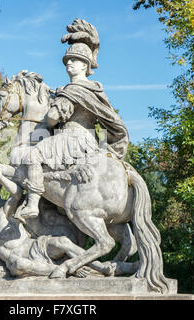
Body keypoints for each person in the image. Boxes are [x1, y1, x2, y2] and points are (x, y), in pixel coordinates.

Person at [19, 42, 129, 220]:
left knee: (32, 156)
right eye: (67, 61)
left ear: (85, 65)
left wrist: (54, 106)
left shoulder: (73, 90)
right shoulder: (96, 90)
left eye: (74, 60)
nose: (69, 63)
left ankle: (32, 204)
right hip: (90, 141)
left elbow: (53, 118)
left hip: (72, 138)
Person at [0, 159, 112, 278]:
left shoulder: (2, 215)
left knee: (62, 241)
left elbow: (16, 195)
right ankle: (66, 269)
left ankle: (99, 266)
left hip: (35, 247)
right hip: (22, 263)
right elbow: (6, 259)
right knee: (16, 263)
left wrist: (1, 177)